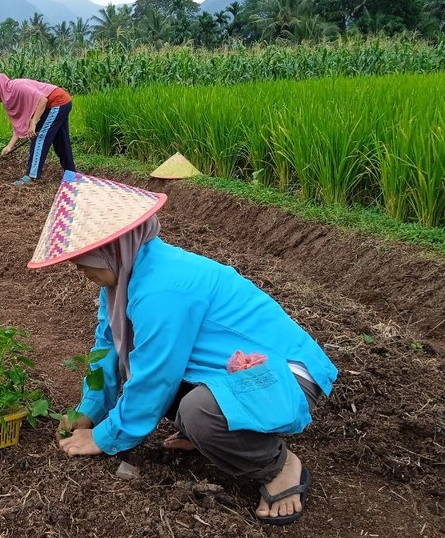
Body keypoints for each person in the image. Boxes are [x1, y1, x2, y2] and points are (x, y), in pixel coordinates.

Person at [27, 171, 338, 526]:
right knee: (156, 382)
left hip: (284, 375)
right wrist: (90, 410)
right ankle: (213, 433)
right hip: (227, 371)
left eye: (83, 256)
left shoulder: (162, 288)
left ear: (112, 247)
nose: (77, 266)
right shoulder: (122, 280)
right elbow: (107, 348)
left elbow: (155, 376)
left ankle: (278, 466)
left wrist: (104, 437)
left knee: (198, 413)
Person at [0, 73, 75, 186]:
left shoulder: (17, 88)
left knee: (39, 138)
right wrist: (9, 146)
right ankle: (71, 173)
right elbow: (18, 126)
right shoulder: (8, 99)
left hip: (57, 101)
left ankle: (31, 176)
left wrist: (33, 123)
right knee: (61, 140)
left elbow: (43, 100)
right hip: (60, 102)